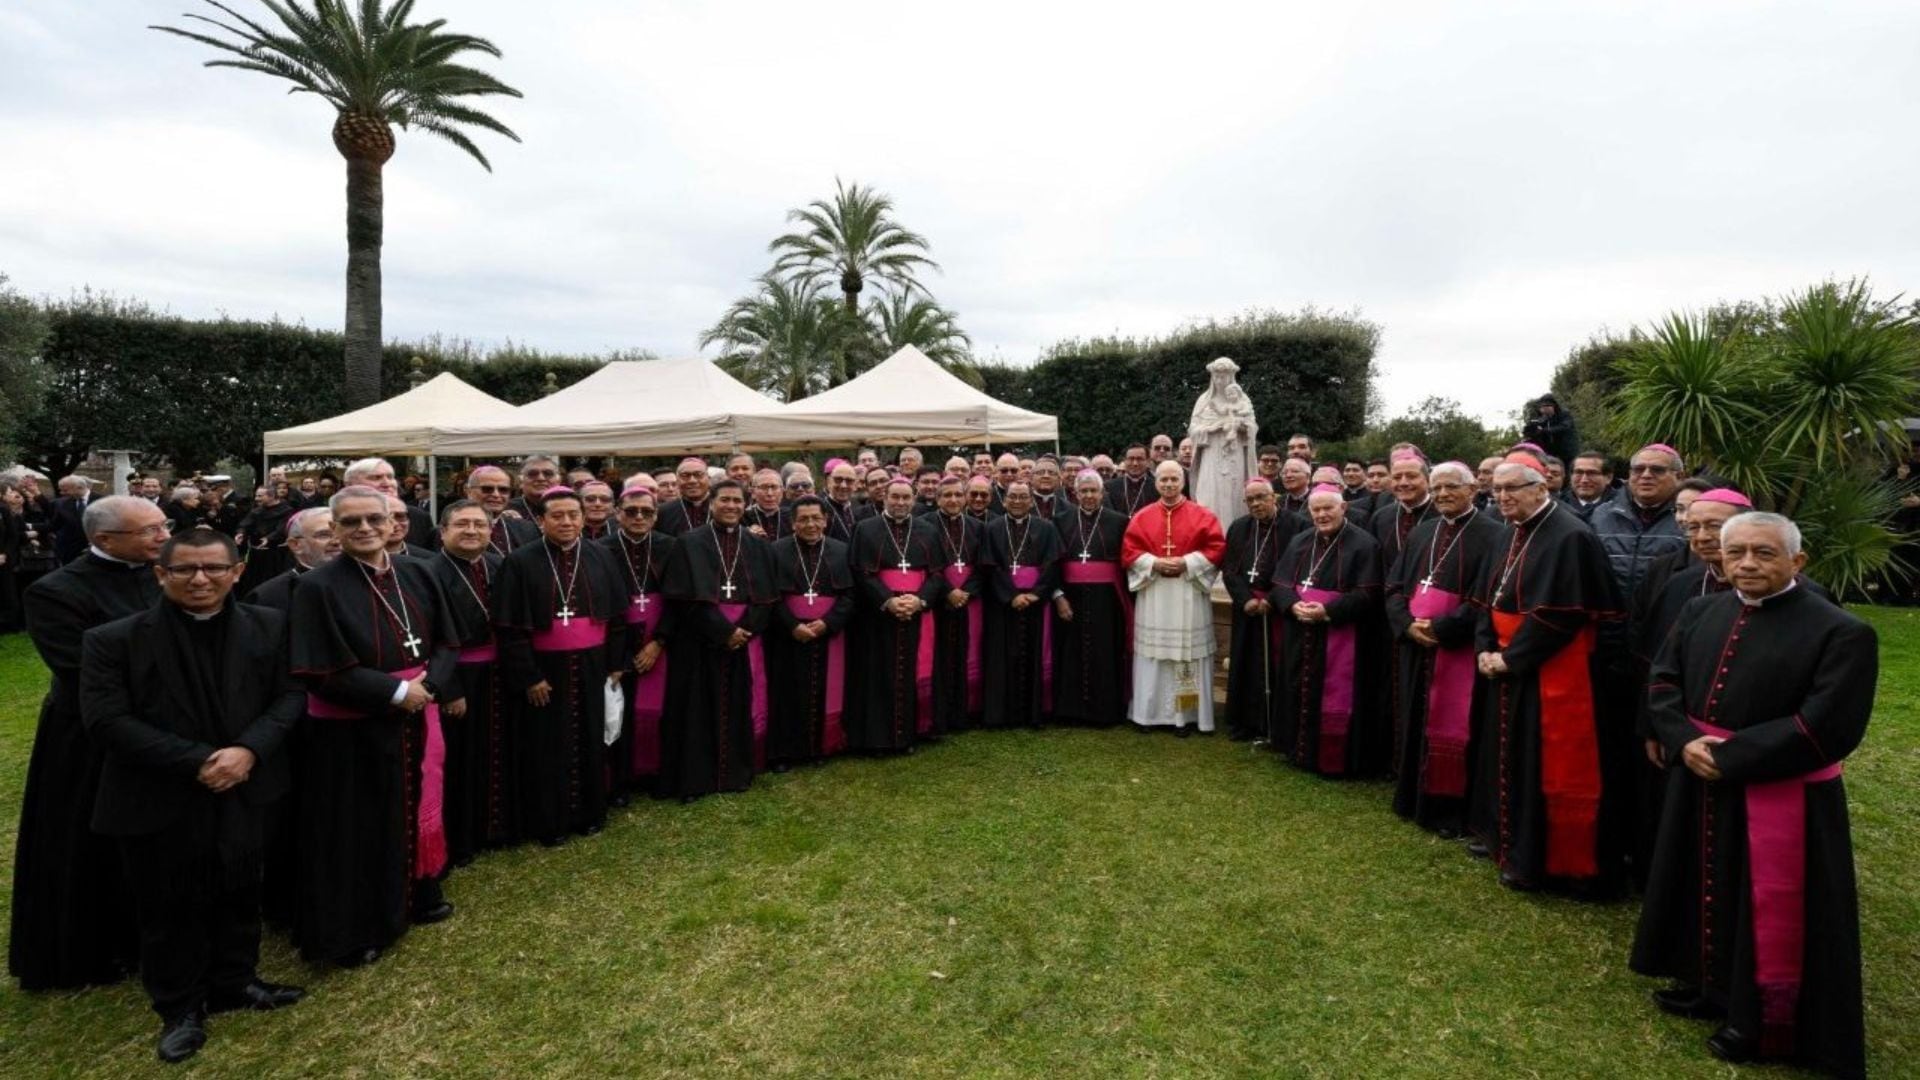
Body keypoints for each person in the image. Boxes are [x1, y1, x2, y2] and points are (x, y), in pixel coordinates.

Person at [1631, 513, 1871, 1077]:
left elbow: (1827, 726)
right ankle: (1705, 985)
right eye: (1736, 552)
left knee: (1762, 901)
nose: (1746, 564)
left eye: (1763, 554)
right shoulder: (1701, 609)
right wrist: (1685, 740)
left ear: (1798, 561)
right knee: (1702, 880)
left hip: (1780, 793)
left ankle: (1762, 1016)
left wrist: (1728, 758)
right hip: (1699, 773)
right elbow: (1663, 681)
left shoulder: (1841, 631)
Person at [80, 528, 304, 1063]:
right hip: (160, 792)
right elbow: (107, 720)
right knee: (168, 903)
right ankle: (180, 1006)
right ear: (161, 574)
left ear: (237, 572)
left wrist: (248, 751)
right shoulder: (114, 639)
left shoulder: (269, 626)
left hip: (248, 782)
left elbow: (291, 695)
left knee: (241, 884)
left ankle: (236, 980)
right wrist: (200, 761)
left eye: (213, 568)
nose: (200, 580)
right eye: (185, 570)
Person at [287, 485, 458, 968]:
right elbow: (319, 668)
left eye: (373, 520)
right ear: (336, 530)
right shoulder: (317, 586)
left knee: (416, 803)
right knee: (358, 825)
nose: (364, 529)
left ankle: (418, 890)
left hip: (419, 711)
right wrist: (400, 693)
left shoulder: (420, 571)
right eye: (350, 522)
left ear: (392, 523)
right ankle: (357, 927)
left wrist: (431, 686)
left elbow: (448, 642)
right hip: (352, 730)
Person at [9, 496, 165, 991]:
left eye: (164, 526)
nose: (164, 536)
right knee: (89, 844)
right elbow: (82, 672)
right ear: (105, 540)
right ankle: (96, 947)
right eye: (150, 531)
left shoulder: (164, 572)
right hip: (93, 737)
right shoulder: (56, 591)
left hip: (168, 725)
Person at [1470, 455, 1623, 896]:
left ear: (1542, 488)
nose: (1502, 497)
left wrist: (1510, 658)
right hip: (1507, 658)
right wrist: (1485, 647)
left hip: (1553, 669)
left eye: (1512, 488)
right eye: (1497, 490)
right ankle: (1505, 838)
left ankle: (1536, 858)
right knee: (1507, 752)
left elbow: (1562, 614)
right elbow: (1487, 599)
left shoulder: (1569, 534)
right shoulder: (1509, 532)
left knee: (1539, 761)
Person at [492, 488, 627, 845]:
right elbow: (508, 627)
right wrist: (529, 676)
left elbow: (617, 616)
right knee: (546, 745)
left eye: (573, 515)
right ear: (541, 521)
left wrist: (616, 663)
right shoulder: (519, 562)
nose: (566, 522)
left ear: (583, 519)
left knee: (590, 737)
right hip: (544, 669)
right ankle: (549, 821)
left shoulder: (601, 555)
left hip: (593, 664)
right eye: (557, 516)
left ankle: (590, 813)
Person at [1385, 463, 1506, 835]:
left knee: (1452, 726)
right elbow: (1395, 586)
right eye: (1436, 489)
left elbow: (1488, 598)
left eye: (1451, 487)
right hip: (1415, 646)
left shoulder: (1495, 535)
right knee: (1414, 718)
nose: (1441, 495)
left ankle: (1448, 810)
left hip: (1458, 650)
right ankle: (1410, 797)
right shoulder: (1423, 532)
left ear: (1473, 490)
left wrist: (1441, 628)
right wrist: (1406, 624)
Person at [659, 480, 775, 799]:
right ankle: (696, 778)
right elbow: (683, 598)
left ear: (745, 504)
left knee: (738, 705)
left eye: (737, 501)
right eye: (724, 500)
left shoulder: (758, 546)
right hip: (699, 640)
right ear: (711, 503)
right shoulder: (689, 543)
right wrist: (724, 632)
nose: (731, 506)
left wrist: (744, 630)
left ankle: (735, 773)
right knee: (696, 708)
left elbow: (767, 598)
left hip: (743, 639)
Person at [1269, 486, 1387, 776]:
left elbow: (1368, 593)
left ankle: (1333, 758)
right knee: (1299, 687)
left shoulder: (1364, 545)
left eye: (1328, 509)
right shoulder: (1300, 541)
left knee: (1334, 694)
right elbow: (1280, 584)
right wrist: (1293, 605)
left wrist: (1329, 611)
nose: (1321, 515)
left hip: (1341, 634)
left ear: (1343, 508)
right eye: (1316, 510)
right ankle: (1298, 750)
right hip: (1300, 630)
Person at [425, 500, 510, 861]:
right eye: (462, 524)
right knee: (462, 759)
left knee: (498, 750)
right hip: (458, 677)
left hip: (499, 674)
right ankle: (462, 838)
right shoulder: (428, 572)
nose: (472, 530)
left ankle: (496, 827)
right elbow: (431, 639)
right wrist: (449, 689)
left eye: (480, 524)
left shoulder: (499, 564)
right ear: (443, 531)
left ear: (491, 531)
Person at [1122, 461, 1226, 735]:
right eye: (1163, 479)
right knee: (1152, 656)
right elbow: (1129, 551)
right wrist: (1153, 563)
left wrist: (1187, 562)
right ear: (1155, 482)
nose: (1168, 484)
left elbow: (1216, 547)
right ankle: (1148, 714)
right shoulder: (1142, 516)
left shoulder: (1202, 515)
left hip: (1187, 591)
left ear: (1183, 481)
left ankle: (1187, 715)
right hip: (1154, 591)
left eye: (1174, 479)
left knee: (1186, 657)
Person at [849, 479, 943, 751]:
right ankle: (880, 736)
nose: (900, 502)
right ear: (884, 498)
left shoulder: (928, 530)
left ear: (913, 499)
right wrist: (888, 601)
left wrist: (920, 600)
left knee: (913, 672)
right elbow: (861, 572)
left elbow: (937, 573)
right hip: (879, 618)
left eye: (905, 497)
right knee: (880, 673)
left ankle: (913, 733)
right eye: (895, 497)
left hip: (917, 613)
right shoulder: (865, 530)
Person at [766, 496, 855, 768]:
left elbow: (850, 595)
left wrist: (828, 622)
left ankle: (820, 748)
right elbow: (770, 595)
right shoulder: (776, 551)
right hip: (789, 634)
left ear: (826, 521)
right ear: (792, 523)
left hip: (828, 633)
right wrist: (792, 625)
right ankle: (786, 752)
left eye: (816, 518)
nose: (810, 524)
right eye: (803, 519)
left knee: (825, 690)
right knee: (786, 693)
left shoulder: (842, 550)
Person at [603, 486, 675, 799]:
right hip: (617, 639)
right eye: (631, 511)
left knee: (661, 710)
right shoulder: (601, 549)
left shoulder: (671, 547)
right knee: (621, 710)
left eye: (646, 511)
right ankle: (620, 780)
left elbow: (680, 600)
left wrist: (658, 642)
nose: (639, 517)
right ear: (618, 512)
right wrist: (616, 657)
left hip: (661, 637)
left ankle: (658, 773)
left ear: (656, 515)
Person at [1220, 479, 1305, 742]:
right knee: (1244, 662)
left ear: (1274, 497)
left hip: (1278, 608)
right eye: (1250, 500)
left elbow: (1298, 568)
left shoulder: (1297, 525)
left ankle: (1274, 724)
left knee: (1278, 663)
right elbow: (1230, 569)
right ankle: (1245, 722)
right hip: (1247, 608)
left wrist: (1273, 598)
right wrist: (1244, 599)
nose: (1256, 504)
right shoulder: (1239, 527)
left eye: (1261, 497)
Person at [1050, 470, 1133, 728]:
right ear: (1074, 494)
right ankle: (1070, 710)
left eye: (1093, 491)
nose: (1088, 496)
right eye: (1083, 491)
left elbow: (1127, 562)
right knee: (1070, 652)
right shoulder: (1060, 520)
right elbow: (1051, 563)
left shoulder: (1119, 521)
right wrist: (1058, 596)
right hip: (1070, 596)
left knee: (1105, 652)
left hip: (1107, 600)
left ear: (1102, 493)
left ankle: (1105, 711)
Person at [981, 482, 1063, 729]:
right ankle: (1003, 715)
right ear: (1004, 501)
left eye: (1023, 497)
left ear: (1031, 501)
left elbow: (1053, 563)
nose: (1017, 501)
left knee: (1035, 654)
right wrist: (1011, 595)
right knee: (1002, 657)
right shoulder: (991, 528)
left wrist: (1036, 594)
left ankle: (1034, 714)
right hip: (1003, 603)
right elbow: (988, 566)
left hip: (1036, 603)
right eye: (1013, 497)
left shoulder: (1046, 528)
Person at [925, 476, 992, 733]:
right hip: (939, 602)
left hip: (969, 602)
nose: (953, 500)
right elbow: (928, 566)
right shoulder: (925, 526)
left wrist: (965, 592)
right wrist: (948, 592)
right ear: (938, 498)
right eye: (947, 495)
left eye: (957, 495)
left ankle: (966, 712)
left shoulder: (977, 527)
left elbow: (982, 565)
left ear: (964, 497)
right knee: (939, 657)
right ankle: (939, 714)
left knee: (968, 654)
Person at [248, 508, 338, 612]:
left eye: (341, 533)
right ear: (295, 545)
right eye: (324, 535)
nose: (337, 541)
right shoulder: (267, 597)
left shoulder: (359, 580)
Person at [343, 457, 437, 551]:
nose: (387, 483)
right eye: (376, 477)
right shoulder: (337, 517)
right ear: (351, 485)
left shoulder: (419, 517)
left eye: (390, 477)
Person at [463, 465, 539, 556]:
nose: (496, 495)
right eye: (487, 489)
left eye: (503, 490)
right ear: (468, 491)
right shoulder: (453, 530)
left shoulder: (527, 529)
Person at [655, 458, 714, 537]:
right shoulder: (662, 512)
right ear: (677, 481)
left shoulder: (723, 507)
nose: (692, 481)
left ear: (709, 479)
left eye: (698, 475)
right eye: (685, 476)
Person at [1521, 394, 1579, 470]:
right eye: (1542, 407)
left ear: (1553, 406)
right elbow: (1535, 431)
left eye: (1547, 407)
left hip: (1566, 450)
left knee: (1567, 470)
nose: (1544, 410)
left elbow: (1564, 427)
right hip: (1550, 451)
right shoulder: (1542, 418)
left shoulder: (1564, 415)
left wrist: (1545, 430)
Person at [821, 462, 873, 546]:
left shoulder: (858, 508)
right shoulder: (820, 509)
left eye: (849, 481)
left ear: (855, 485)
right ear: (829, 482)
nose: (843, 485)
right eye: (838, 480)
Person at [1105, 444, 1154, 517]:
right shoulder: (1109, 487)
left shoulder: (1156, 487)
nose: (1135, 463)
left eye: (1139, 459)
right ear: (1125, 461)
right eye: (1131, 459)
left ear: (1148, 461)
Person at [1562, 451, 1613, 521]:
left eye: (1592, 473)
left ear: (1608, 478)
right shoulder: (1556, 506)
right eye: (1578, 473)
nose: (1584, 480)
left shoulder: (1621, 508)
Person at [745, 469, 790, 540]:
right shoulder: (743, 518)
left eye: (774, 487)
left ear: (782, 492)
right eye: (764, 487)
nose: (770, 493)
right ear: (753, 492)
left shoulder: (792, 516)